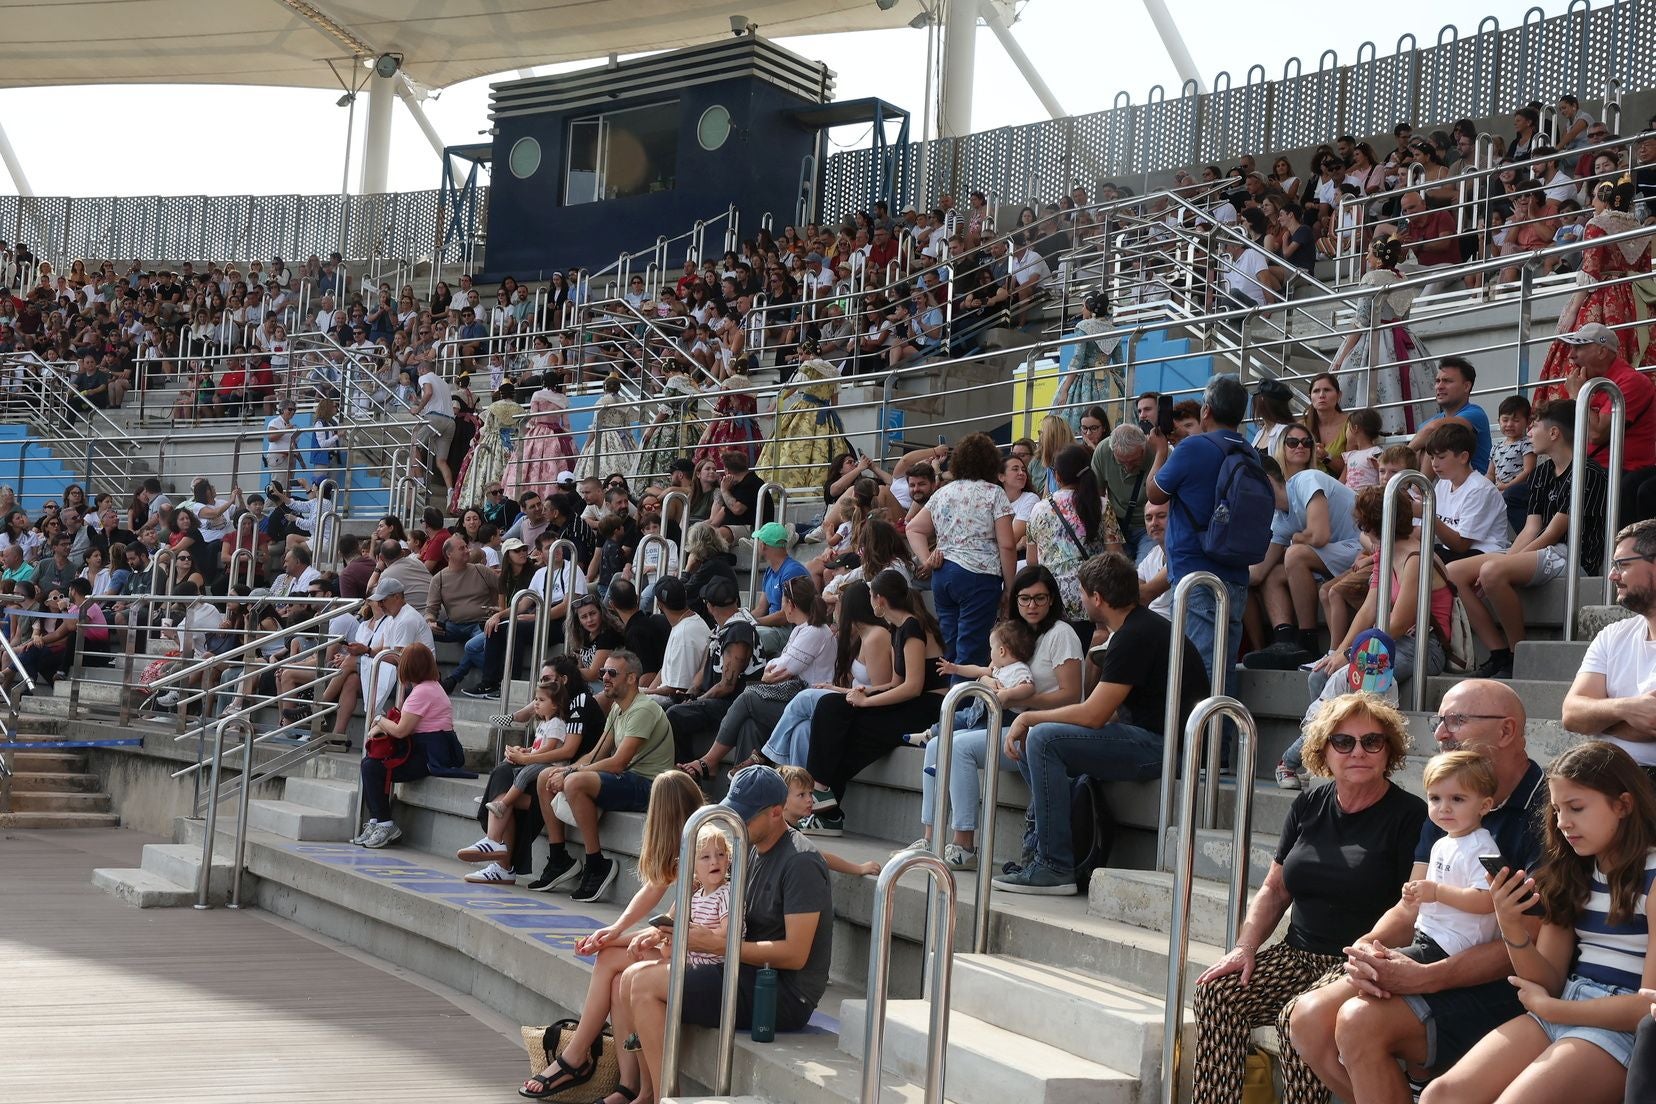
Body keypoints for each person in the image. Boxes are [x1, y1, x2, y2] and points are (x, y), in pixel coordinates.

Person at [1288, 680, 1548, 1104]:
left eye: (1457, 720)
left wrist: (1427, 977)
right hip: (1434, 953)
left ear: (1506, 731)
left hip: (1508, 982)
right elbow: (1411, 905)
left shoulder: (1549, 812)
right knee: (1308, 1019)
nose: (1442, 733)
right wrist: (1367, 945)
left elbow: (1532, 939)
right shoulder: (1448, 802)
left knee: (1357, 1022)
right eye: (1439, 721)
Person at [1190, 692, 1426, 1104]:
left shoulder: (1410, 816)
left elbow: (1412, 910)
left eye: (1372, 741)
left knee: (1295, 1018)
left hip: (1359, 960)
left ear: (1389, 750)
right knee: (1217, 993)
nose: (1358, 752)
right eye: (1343, 741)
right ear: (1322, 750)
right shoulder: (1309, 804)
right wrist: (1245, 946)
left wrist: (1369, 951)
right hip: (1297, 954)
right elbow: (1275, 887)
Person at [1420, 741, 1656, 1104]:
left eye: (1576, 808)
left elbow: (1648, 1008)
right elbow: (1545, 979)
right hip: (1566, 1004)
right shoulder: (1574, 871)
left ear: (1623, 805)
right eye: (1558, 810)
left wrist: (1553, 1007)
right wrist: (1510, 923)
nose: (1563, 823)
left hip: (1620, 1027)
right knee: (1442, 1095)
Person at [993, 552, 1206, 895]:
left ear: (1097, 598)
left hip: (1165, 748)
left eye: (1081, 592)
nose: (1079, 599)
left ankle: (1053, 865)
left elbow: (1093, 714)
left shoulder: (1134, 635)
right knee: (1043, 737)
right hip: (1156, 738)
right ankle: (1044, 848)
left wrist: (1030, 716)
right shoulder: (1137, 628)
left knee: (1043, 738)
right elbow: (1107, 712)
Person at [617, 765, 832, 1104]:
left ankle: (663, 1099)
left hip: (782, 993)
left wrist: (720, 944)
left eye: (744, 817)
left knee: (644, 984)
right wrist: (664, 932)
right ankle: (642, 1092)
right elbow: (705, 900)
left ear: (777, 813)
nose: (735, 823)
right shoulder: (749, 846)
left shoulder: (801, 862)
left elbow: (795, 954)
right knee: (628, 973)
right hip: (742, 967)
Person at [516, 770, 704, 1101]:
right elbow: (652, 893)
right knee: (617, 978)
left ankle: (577, 1058)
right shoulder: (689, 845)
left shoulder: (704, 850)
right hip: (681, 946)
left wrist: (610, 938)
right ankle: (631, 1086)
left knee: (612, 959)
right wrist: (612, 932)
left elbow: (666, 931)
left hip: (698, 954)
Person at [1450, 400, 1607, 679]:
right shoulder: (1543, 471)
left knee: (1492, 571)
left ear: (1555, 433)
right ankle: (1497, 652)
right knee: (1453, 573)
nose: (1529, 431)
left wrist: (1503, 565)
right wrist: (1509, 559)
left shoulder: (1588, 472)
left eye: (1534, 426)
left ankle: (1515, 654)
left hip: (1573, 556)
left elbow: (1552, 533)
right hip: (1545, 549)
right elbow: (1531, 528)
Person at [801, 570, 947, 836]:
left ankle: (828, 813)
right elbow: (894, 683)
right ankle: (821, 791)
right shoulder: (897, 628)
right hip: (910, 700)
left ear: (879, 599)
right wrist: (853, 693)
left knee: (855, 730)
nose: (869, 602)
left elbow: (913, 687)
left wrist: (867, 703)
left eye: (870, 596)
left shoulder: (913, 627)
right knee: (831, 706)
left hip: (928, 707)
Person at [532, 650, 676, 903]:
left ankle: (596, 863)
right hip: (628, 780)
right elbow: (596, 754)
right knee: (546, 775)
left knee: (574, 781)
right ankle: (558, 858)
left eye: (612, 673)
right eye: (602, 673)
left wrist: (571, 773)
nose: (605, 678)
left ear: (631, 679)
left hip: (649, 785)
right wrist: (565, 769)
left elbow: (618, 763)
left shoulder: (643, 709)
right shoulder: (617, 709)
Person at [1147, 375, 1257, 699]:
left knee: (1201, 668)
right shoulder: (1248, 450)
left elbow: (1155, 492)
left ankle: (1201, 749)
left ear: (1205, 411)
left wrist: (1160, 451)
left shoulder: (1194, 448)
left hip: (1197, 575)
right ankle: (1220, 748)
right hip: (1235, 572)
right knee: (1224, 670)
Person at [682, 574, 833, 778]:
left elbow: (780, 670)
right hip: (794, 700)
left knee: (748, 698)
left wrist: (771, 673)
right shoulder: (801, 629)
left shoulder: (815, 631)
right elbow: (774, 668)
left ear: (790, 604)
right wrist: (771, 673)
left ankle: (709, 761)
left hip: (810, 707)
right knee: (749, 725)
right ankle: (745, 790)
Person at [905, 432, 1017, 669]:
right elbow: (1007, 545)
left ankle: (949, 702)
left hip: (943, 575)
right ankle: (963, 705)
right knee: (971, 653)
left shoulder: (943, 492)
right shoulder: (994, 493)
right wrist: (1009, 587)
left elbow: (913, 528)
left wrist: (928, 560)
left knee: (951, 652)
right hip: (979, 576)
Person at [1241, 451, 1362, 670]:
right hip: (1336, 556)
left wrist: (1297, 537)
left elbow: (1319, 535)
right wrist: (1221, 574)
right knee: (1272, 575)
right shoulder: (1279, 519)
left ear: (1266, 481)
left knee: (1295, 553)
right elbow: (1258, 573)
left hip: (1363, 549)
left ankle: (1308, 641)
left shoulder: (1306, 480)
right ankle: (1285, 639)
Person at [457, 677, 584, 883]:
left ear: (556, 704)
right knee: (504, 769)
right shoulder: (543, 723)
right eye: (535, 699)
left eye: (541, 700)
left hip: (549, 776)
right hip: (538, 771)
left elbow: (549, 751)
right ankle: (498, 851)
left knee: (516, 775)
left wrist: (525, 758)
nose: (535, 703)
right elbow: (538, 749)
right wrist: (523, 751)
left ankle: (498, 826)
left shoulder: (557, 724)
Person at [1536, 181, 1650, 405]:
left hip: (1603, 296)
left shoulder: (1596, 224)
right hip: (1634, 297)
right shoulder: (1639, 228)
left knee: (1581, 347)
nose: (1592, 203)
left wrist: (1571, 312)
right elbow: (1645, 272)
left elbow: (1590, 273)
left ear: (1605, 198)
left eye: (1596, 198)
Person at [1563, 520, 1656, 780]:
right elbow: (1572, 713)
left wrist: (1600, 720)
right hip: (1602, 776)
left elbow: (1651, 723)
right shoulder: (1612, 635)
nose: (1612, 575)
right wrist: (1626, 710)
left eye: (1623, 565)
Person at [354, 644, 470, 849]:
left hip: (431, 755)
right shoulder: (430, 687)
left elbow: (400, 731)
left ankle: (384, 823)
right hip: (430, 749)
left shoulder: (423, 692)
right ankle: (376, 821)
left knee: (372, 767)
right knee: (370, 764)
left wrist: (379, 719)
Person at [1026, 444, 1123, 631]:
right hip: (1092, 597)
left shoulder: (1038, 509)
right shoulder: (1102, 505)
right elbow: (1115, 556)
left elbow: (1032, 560)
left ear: (1057, 476)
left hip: (1052, 599)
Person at [755, 338, 850, 490]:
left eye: (800, 354)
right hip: (826, 414)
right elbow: (834, 399)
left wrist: (774, 404)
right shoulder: (833, 370)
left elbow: (792, 387)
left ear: (808, 353)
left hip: (806, 409)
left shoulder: (808, 366)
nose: (799, 358)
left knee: (792, 447)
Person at [1425, 421, 1511, 562]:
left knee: (1423, 563)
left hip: (1485, 554)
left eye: (1441, 457)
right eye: (1432, 457)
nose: (1434, 463)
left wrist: (1426, 514)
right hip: (1454, 552)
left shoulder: (1479, 489)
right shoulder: (1443, 483)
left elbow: (1461, 545)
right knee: (1411, 554)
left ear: (1463, 457)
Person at [1407, 357, 1494, 474]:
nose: (1439, 386)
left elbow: (1433, 428)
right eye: (1437, 381)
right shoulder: (1427, 424)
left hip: (1473, 488)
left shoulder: (1475, 414)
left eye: (1447, 381)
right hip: (1442, 487)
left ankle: (1419, 490)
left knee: (1435, 438)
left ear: (1466, 386)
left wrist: (1402, 454)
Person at [1053, 291, 1123, 432]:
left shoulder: (1083, 326)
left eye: (1083, 306)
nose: (1081, 310)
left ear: (1090, 308)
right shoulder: (1114, 330)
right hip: (1109, 382)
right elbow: (1120, 365)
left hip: (1085, 379)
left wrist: (1065, 390)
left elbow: (1077, 360)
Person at [506, 371, 579, 495]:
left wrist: (526, 432)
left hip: (539, 431)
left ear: (543, 381)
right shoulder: (562, 398)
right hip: (557, 433)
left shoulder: (537, 395)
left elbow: (533, 419)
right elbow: (566, 424)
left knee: (530, 462)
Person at [1093, 422, 1155, 561]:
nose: (1128, 467)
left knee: (1143, 571)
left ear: (1143, 450)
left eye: (1133, 461)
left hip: (1148, 526)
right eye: (1121, 462)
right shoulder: (1103, 451)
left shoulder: (1155, 452)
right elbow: (1098, 496)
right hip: (1117, 525)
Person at [749, 521, 808, 656]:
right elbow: (761, 608)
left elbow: (785, 616)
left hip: (790, 630)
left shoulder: (792, 571)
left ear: (763, 545)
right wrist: (742, 619)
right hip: (775, 628)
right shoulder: (770, 571)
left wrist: (752, 623)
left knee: (747, 636)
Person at [574, 375, 641, 482]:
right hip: (622, 437)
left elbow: (596, 426)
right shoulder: (623, 401)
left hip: (604, 435)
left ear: (605, 387)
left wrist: (586, 446)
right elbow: (627, 425)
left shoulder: (602, 401)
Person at [1490, 394, 1538, 536]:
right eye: (1505, 420)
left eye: (1516, 420)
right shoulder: (1496, 447)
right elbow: (1490, 473)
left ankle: (1524, 536)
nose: (1509, 424)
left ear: (1528, 422)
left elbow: (1528, 471)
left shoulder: (1526, 444)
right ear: (1498, 421)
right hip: (1499, 490)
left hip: (1517, 490)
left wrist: (1506, 486)